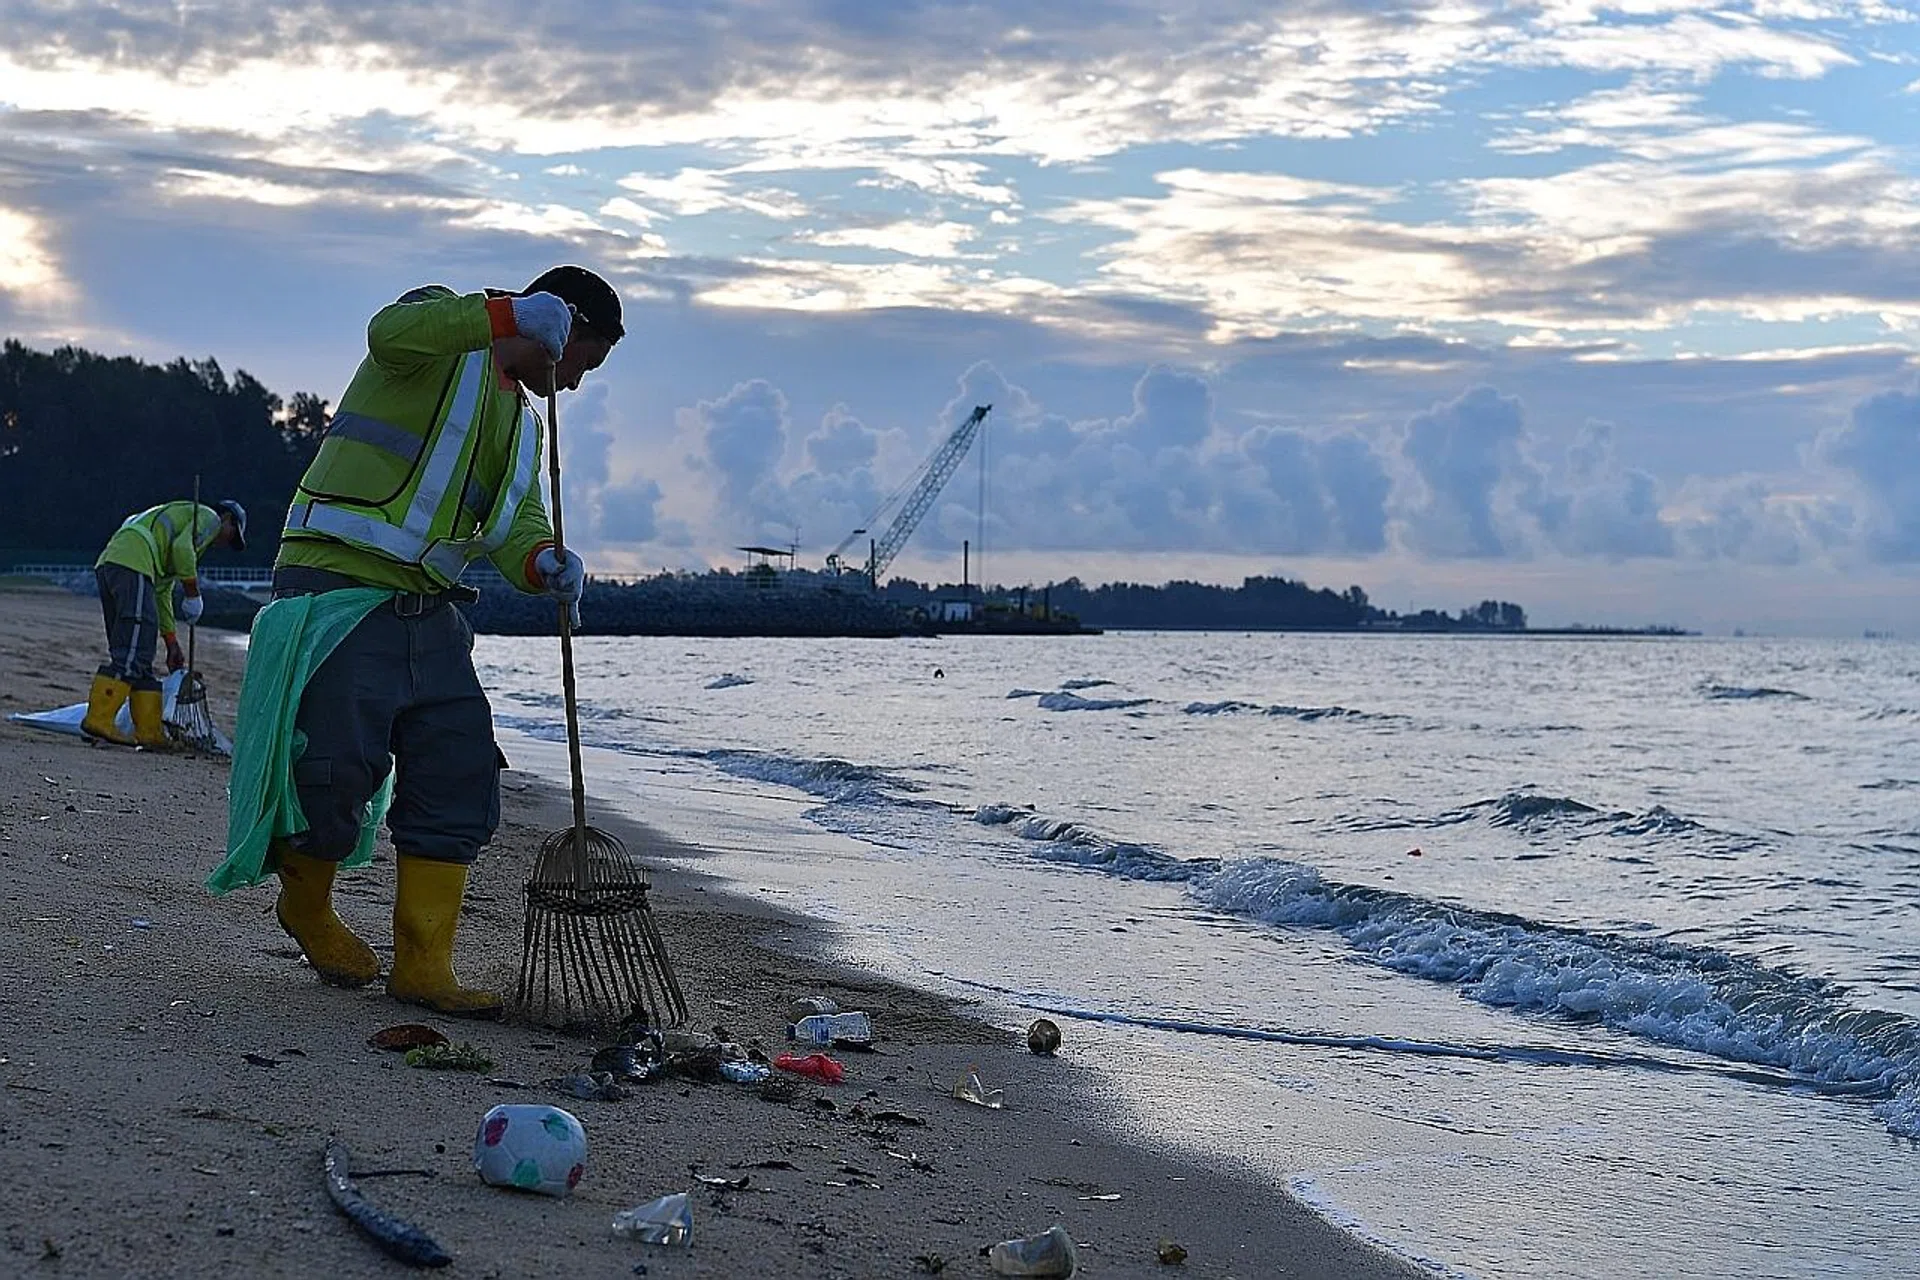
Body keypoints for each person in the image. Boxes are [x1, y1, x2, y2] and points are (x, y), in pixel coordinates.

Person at [237, 265, 620, 1020]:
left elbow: (518, 527)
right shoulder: (442, 328)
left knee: (459, 767)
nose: (574, 384)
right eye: (584, 362)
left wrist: (545, 564)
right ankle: (307, 910)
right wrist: (506, 315)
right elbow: (388, 333)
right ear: (562, 327)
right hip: (338, 589)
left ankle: (423, 964)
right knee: (332, 767)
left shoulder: (524, 426)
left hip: (432, 611)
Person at [84, 498, 248, 747]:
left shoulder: (175, 536)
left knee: (138, 651)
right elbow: (183, 550)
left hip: (115, 563)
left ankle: (149, 732)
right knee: (134, 650)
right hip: (133, 562)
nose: (226, 542)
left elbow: (161, 593)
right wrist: (193, 593)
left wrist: (171, 642)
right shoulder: (209, 518)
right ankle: (99, 719)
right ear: (227, 519)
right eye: (233, 535)